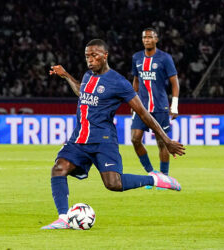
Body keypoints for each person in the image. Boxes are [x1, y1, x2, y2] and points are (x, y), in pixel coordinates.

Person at [42, 39, 185, 230]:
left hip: (103, 140)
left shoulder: (118, 82)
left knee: (113, 183)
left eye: (94, 55)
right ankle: (63, 218)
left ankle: (156, 179)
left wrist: (166, 140)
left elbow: (143, 112)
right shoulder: (87, 76)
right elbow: (82, 93)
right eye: (87, 56)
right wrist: (66, 75)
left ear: (105, 55)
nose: (90, 60)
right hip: (80, 138)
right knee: (59, 168)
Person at [130, 28, 180, 182]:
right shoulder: (136, 57)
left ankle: (164, 177)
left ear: (156, 39)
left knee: (162, 142)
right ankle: (152, 173)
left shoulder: (165, 58)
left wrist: (175, 105)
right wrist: (132, 100)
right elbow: (136, 80)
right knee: (135, 139)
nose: (146, 40)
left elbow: (174, 82)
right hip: (142, 107)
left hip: (160, 107)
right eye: (144, 37)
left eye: (150, 37)